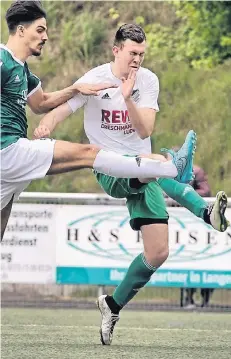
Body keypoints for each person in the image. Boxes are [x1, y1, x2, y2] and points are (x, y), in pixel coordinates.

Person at [33, 23, 229, 345]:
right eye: (132, 52)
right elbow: (63, 108)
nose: (137, 58)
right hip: (109, 167)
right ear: (117, 50)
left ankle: (112, 305)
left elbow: (143, 130)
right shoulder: (95, 79)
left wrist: (128, 99)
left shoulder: (147, 81)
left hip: (145, 167)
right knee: (164, 166)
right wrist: (45, 126)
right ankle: (204, 210)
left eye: (141, 53)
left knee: (158, 252)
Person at [0, 1, 196, 240]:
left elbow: (41, 104)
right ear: (21, 30)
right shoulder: (2, 59)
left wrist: (75, 88)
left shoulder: (24, 72)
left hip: (9, 165)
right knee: (88, 153)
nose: (46, 37)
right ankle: (172, 167)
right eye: (40, 30)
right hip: (7, 149)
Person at [184, 165, 214, 308]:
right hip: (183, 224)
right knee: (185, 262)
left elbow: (206, 191)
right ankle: (188, 299)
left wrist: (186, 193)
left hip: (200, 223)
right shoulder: (166, 171)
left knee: (207, 261)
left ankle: (205, 300)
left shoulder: (196, 171)